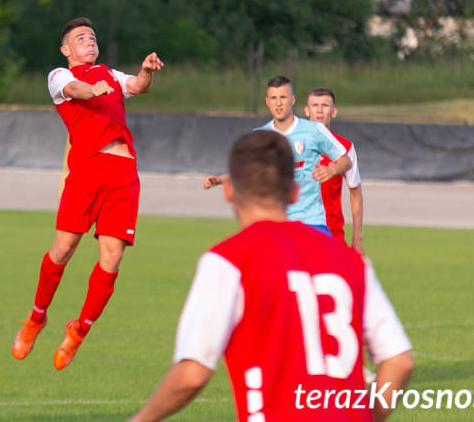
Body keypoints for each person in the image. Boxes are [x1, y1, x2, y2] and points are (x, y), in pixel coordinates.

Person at [129, 130, 414, 422]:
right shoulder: (352, 262)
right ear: (294, 191)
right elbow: (399, 361)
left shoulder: (228, 261)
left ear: (229, 191)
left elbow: (192, 374)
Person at [12, 16, 164, 370]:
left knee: (112, 259)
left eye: (93, 37)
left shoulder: (109, 74)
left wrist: (146, 71)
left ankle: (78, 330)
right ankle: (36, 318)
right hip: (86, 171)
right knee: (63, 248)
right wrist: (90, 90)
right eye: (82, 38)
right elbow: (73, 91)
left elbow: (138, 87)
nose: (90, 42)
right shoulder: (60, 76)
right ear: (67, 50)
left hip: (122, 173)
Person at [205, 75, 351, 236]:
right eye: (274, 98)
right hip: (278, 224)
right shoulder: (261, 135)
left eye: (283, 97)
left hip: (312, 223)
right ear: (268, 102)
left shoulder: (314, 130)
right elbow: (245, 171)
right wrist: (219, 180)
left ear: (292, 100)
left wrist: (332, 170)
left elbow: (346, 160)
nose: (279, 103)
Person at [304, 86, 365, 253]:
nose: (319, 110)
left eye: (324, 106)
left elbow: (355, 191)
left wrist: (357, 238)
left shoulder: (345, 148)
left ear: (333, 111)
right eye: (315, 105)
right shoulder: (291, 145)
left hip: (331, 234)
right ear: (306, 110)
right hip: (299, 232)